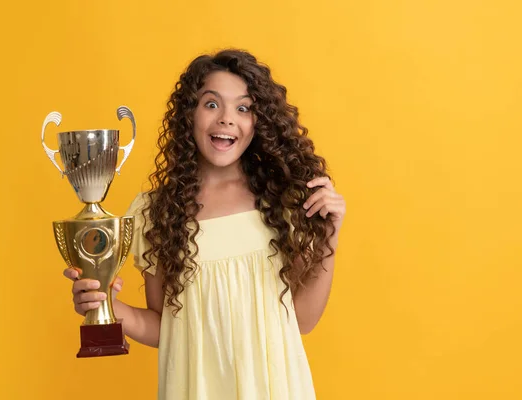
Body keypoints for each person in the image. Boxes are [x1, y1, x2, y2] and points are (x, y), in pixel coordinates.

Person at [63, 49, 346, 399]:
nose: (227, 119)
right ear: (189, 115)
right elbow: (166, 325)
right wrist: (107, 305)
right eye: (212, 104)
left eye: (243, 108)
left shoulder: (283, 203)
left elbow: (303, 320)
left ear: (258, 122)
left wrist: (329, 236)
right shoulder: (158, 213)